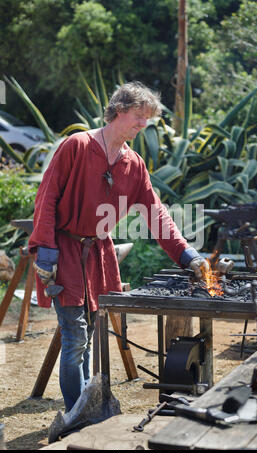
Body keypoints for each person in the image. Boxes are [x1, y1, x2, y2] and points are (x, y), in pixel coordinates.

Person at [28, 81, 209, 413]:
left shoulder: (134, 164)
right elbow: (47, 199)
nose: (143, 125)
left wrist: (188, 255)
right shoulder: (77, 145)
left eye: (148, 120)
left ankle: (84, 406)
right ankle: (78, 412)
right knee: (75, 339)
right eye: (139, 117)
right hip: (65, 253)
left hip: (98, 256)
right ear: (119, 110)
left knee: (88, 341)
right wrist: (46, 249)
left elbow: (157, 216)